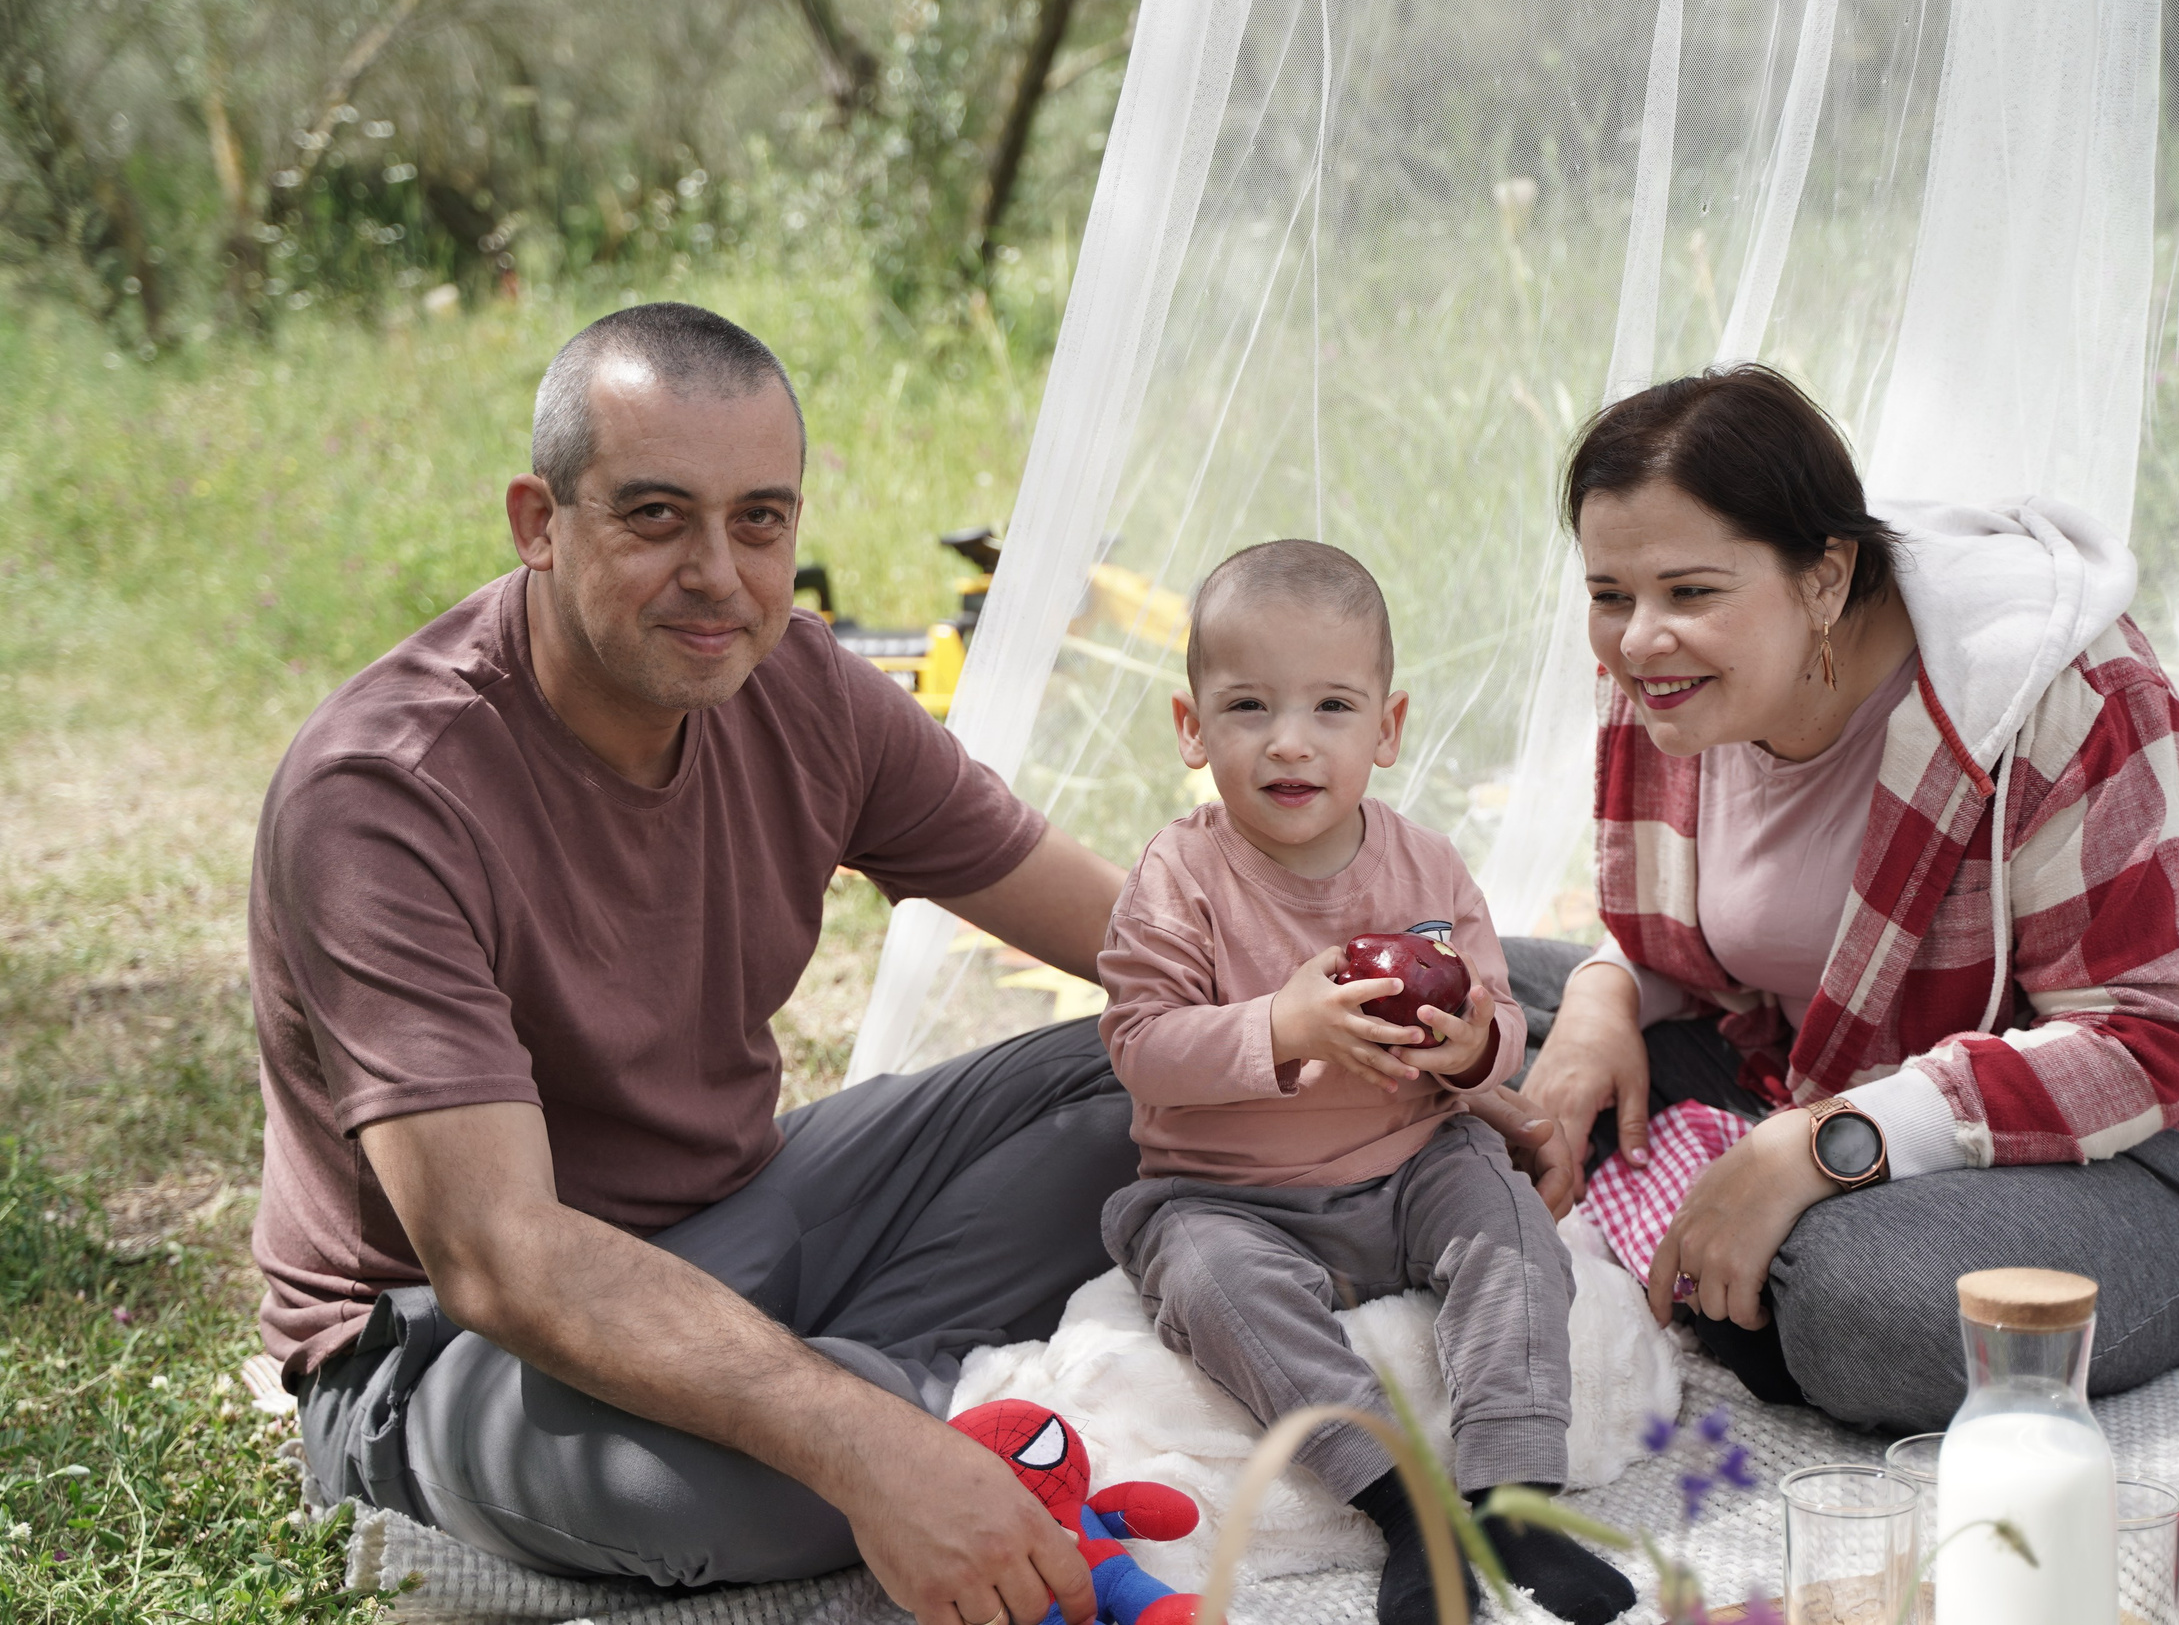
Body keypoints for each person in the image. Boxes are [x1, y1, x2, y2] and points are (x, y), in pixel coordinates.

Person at [252, 301, 1570, 1623]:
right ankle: (888, 1395)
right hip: (455, 1349)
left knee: (1190, 1066)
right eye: (658, 515)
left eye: (761, 519)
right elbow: (501, 1255)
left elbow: (1135, 950)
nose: (720, 572)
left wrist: (1460, 1036)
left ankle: (891, 1386)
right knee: (790, 1481)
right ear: (540, 520)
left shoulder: (798, 687)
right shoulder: (388, 792)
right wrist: (868, 1446)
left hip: (761, 1205)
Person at [1516, 364, 2179, 1434]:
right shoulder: (1677, 672)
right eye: (1608, 595)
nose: (1638, 638)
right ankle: (1698, 1219)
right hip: (1830, 1065)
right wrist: (1603, 994)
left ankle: (1696, 1221)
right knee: (1474, 1011)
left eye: (1689, 592)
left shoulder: (2060, 693)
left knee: (1865, 1309)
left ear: (1825, 578)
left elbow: (2136, 1046)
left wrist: (1815, 1146)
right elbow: (1702, 940)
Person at [1096, 542, 1636, 1625]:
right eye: (1247, 706)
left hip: (1412, 1160)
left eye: (1331, 707)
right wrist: (1278, 1027)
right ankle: (1404, 1509)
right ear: (1191, 729)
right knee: (1209, 1285)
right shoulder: (1180, 876)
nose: (1289, 741)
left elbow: (1497, 1031)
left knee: (1516, 1236)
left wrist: (1464, 1049)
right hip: (1229, 1192)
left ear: (1385, 730)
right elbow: (1139, 1045)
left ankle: (1514, 1495)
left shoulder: (1423, 866)